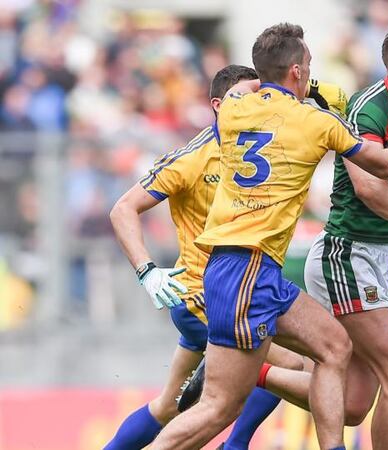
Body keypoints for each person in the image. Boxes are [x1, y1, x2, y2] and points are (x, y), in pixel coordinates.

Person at [149, 23, 388, 450]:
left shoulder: (235, 109)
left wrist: (277, 78)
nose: (310, 74)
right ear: (297, 71)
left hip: (242, 268)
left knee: (333, 346)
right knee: (218, 407)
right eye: (307, 68)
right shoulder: (317, 122)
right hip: (247, 270)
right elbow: (381, 166)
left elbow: (246, 87)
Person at [106, 65, 305, 450]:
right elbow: (123, 209)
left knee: (169, 408)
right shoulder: (193, 158)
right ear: (218, 105)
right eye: (244, 98)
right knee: (289, 367)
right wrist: (147, 271)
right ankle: (237, 444)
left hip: (241, 293)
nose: (256, 106)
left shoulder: (262, 150)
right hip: (202, 297)